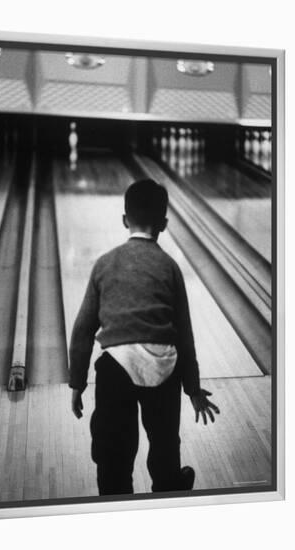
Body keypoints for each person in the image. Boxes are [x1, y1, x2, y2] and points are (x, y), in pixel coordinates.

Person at [68, 178, 219, 496]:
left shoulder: (104, 264)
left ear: (125, 220)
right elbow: (184, 335)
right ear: (164, 224)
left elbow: (82, 332)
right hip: (163, 367)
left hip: (116, 368)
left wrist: (77, 383)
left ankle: (114, 500)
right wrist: (192, 389)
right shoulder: (170, 267)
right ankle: (169, 486)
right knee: (165, 447)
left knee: (113, 457)